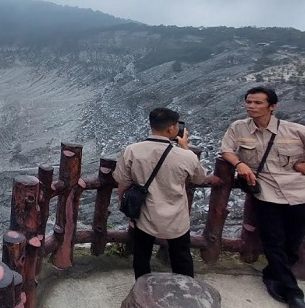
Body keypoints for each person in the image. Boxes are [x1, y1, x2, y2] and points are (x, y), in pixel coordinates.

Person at [220, 86, 305, 308]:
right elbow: (226, 150)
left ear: (272, 106)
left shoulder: (295, 131)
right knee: (273, 239)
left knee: (293, 241)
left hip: (298, 191)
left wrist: (301, 165)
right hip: (266, 191)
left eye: (258, 103)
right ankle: (293, 291)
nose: (251, 106)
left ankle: (272, 274)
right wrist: (239, 163)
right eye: (248, 102)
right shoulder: (238, 128)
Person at [114, 107, 208, 279]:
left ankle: (142, 287)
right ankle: (186, 289)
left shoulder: (132, 150)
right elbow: (199, 178)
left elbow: (123, 183)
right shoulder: (186, 156)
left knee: (142, 256)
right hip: (176, 217)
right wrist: (185, 147)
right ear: (171, 128)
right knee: (181, 256)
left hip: (145, 215)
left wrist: (125, 206)